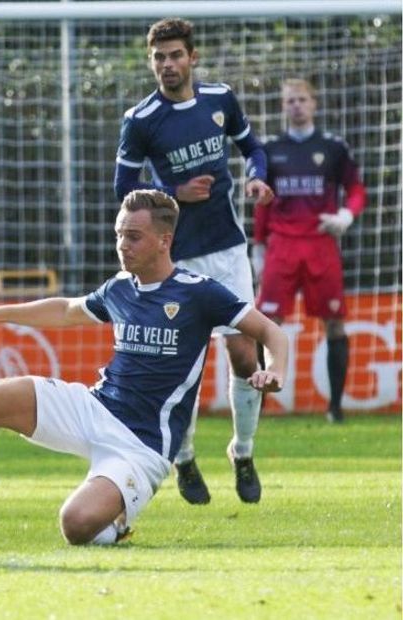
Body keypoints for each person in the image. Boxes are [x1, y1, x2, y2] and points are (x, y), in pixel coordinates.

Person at [0, 190, 288, 545]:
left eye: (134, 236)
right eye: (119, 235)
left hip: (143, 446)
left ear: (164, 240)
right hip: (95, 407)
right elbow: (64, 310)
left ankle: (118, 518)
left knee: (76, 525)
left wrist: (275, 370)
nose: (122, 245)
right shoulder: (120, 288)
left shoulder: (200, 292)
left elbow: (271, 333)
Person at [114, 17, 276, 506]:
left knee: (245, 355)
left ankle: (242, 452)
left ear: (192, 57)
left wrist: (257, 177)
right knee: (176, 363)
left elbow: (253, 148)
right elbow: (124, 190)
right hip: (172, 256)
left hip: (227, 249)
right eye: (159, 57)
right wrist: (173, 193)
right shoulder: (140, 120)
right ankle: (182, 458)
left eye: (175, 55)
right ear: (152, 62)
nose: (167, 65)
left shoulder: (220, 99)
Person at [253, 79, 367, 424]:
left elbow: (356, 188)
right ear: (283, 106)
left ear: (314, 104)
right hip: (282, 246)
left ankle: (335, 407)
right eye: (290, 101)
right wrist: (258, 247)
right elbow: (262, 202)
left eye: (302, 100)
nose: (296, 106)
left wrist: (347, 214)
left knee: (334, 323)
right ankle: (257, 405)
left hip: (320, 244)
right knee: (264, 323)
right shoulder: (270, 149)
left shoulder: (333, 148)